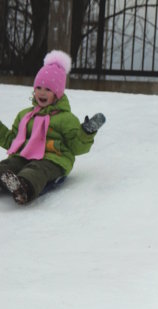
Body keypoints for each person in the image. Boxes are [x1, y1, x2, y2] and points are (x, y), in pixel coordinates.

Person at [0, 50, 105, 205]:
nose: (42, 92)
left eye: (48, 89)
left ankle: (23, 188)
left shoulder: (66, 118)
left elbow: (76, 147)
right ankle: (5, 179)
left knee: (37, 170)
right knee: (9, 165)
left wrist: (85, 133)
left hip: (53, 159)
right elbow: (13, 141)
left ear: (57, 94)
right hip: (24, 155)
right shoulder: (25, 116)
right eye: (39, 88)